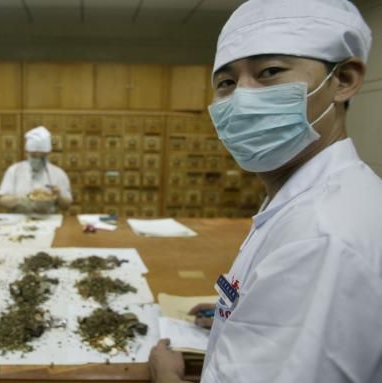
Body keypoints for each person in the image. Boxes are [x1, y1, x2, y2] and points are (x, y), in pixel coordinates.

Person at [149, 0, 382, 382]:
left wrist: (165, 376)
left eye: (270, 72)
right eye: (226, 82)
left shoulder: (322, 237)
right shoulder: (316, 196)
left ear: (344, 80)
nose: (242, 98)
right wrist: (237, 312)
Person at [0, 126, 72, 214]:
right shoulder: (14, 170)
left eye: (42, 157)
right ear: (27, 153)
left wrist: (59, 196)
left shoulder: (58, 173)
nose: (37, 160)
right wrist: (21, 199)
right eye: (33, 156)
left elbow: (66, 206)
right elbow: (2, 200)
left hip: (48, 220)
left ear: (48, 154)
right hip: (20, 218)